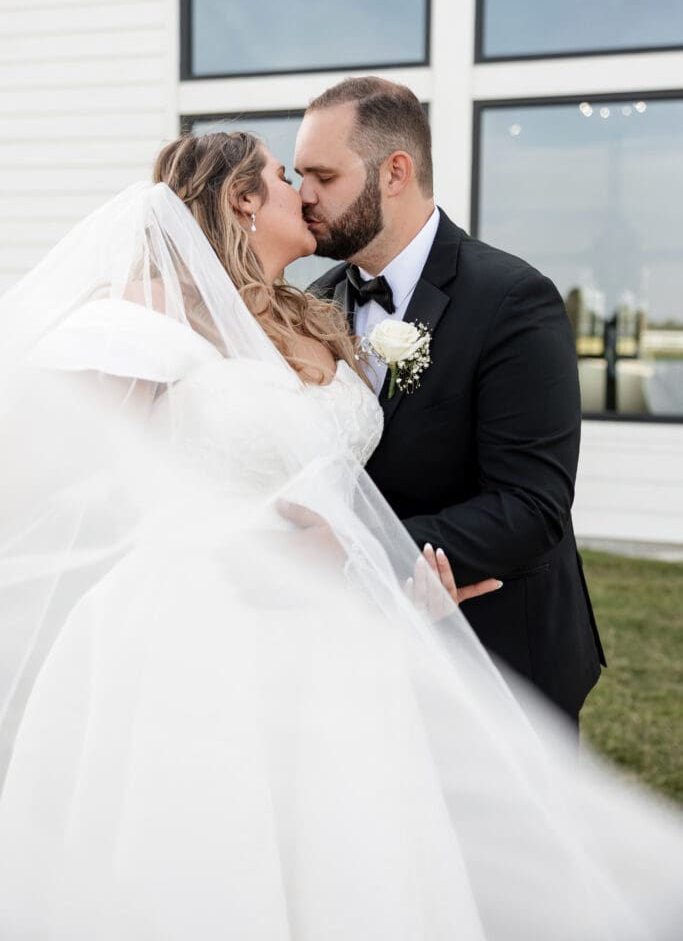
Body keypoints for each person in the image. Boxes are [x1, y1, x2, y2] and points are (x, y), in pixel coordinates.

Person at [0, 132, 681, 940]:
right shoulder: (152, 305)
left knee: (348, 850)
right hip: (200, 627)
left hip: (335, 632)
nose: (305, 192)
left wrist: (393, 562)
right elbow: (49, 464)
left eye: (315, 173)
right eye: (286, 176)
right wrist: (191, 525)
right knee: (213, 848)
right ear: (242, 200)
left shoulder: (311, 312)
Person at [297, 76, 605, 725]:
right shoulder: (314, 304)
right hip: (361, 662)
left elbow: (531, 504)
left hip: (498, 660)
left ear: (395, 172)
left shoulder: (511, 299)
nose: (304, 197)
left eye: (323, 176)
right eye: (300, 176)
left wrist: (360, 550)